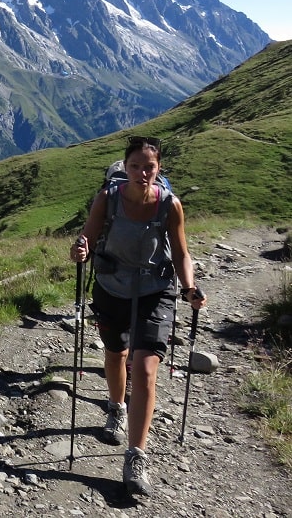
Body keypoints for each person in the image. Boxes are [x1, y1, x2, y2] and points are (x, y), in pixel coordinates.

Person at [70, 136, 207, 496]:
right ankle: (116, 408)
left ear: (159, 168)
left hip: (154, 292)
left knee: (146, 368)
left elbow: (181, 253)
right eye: (135, 166)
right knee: (115, 354)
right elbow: (87, 238)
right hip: (112, 288)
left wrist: (189, 287)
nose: (142, 173)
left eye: (149, 166)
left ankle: (136, 455)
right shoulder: (108, 199)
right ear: (125, 167)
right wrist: (80, 250)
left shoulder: (170, 205)